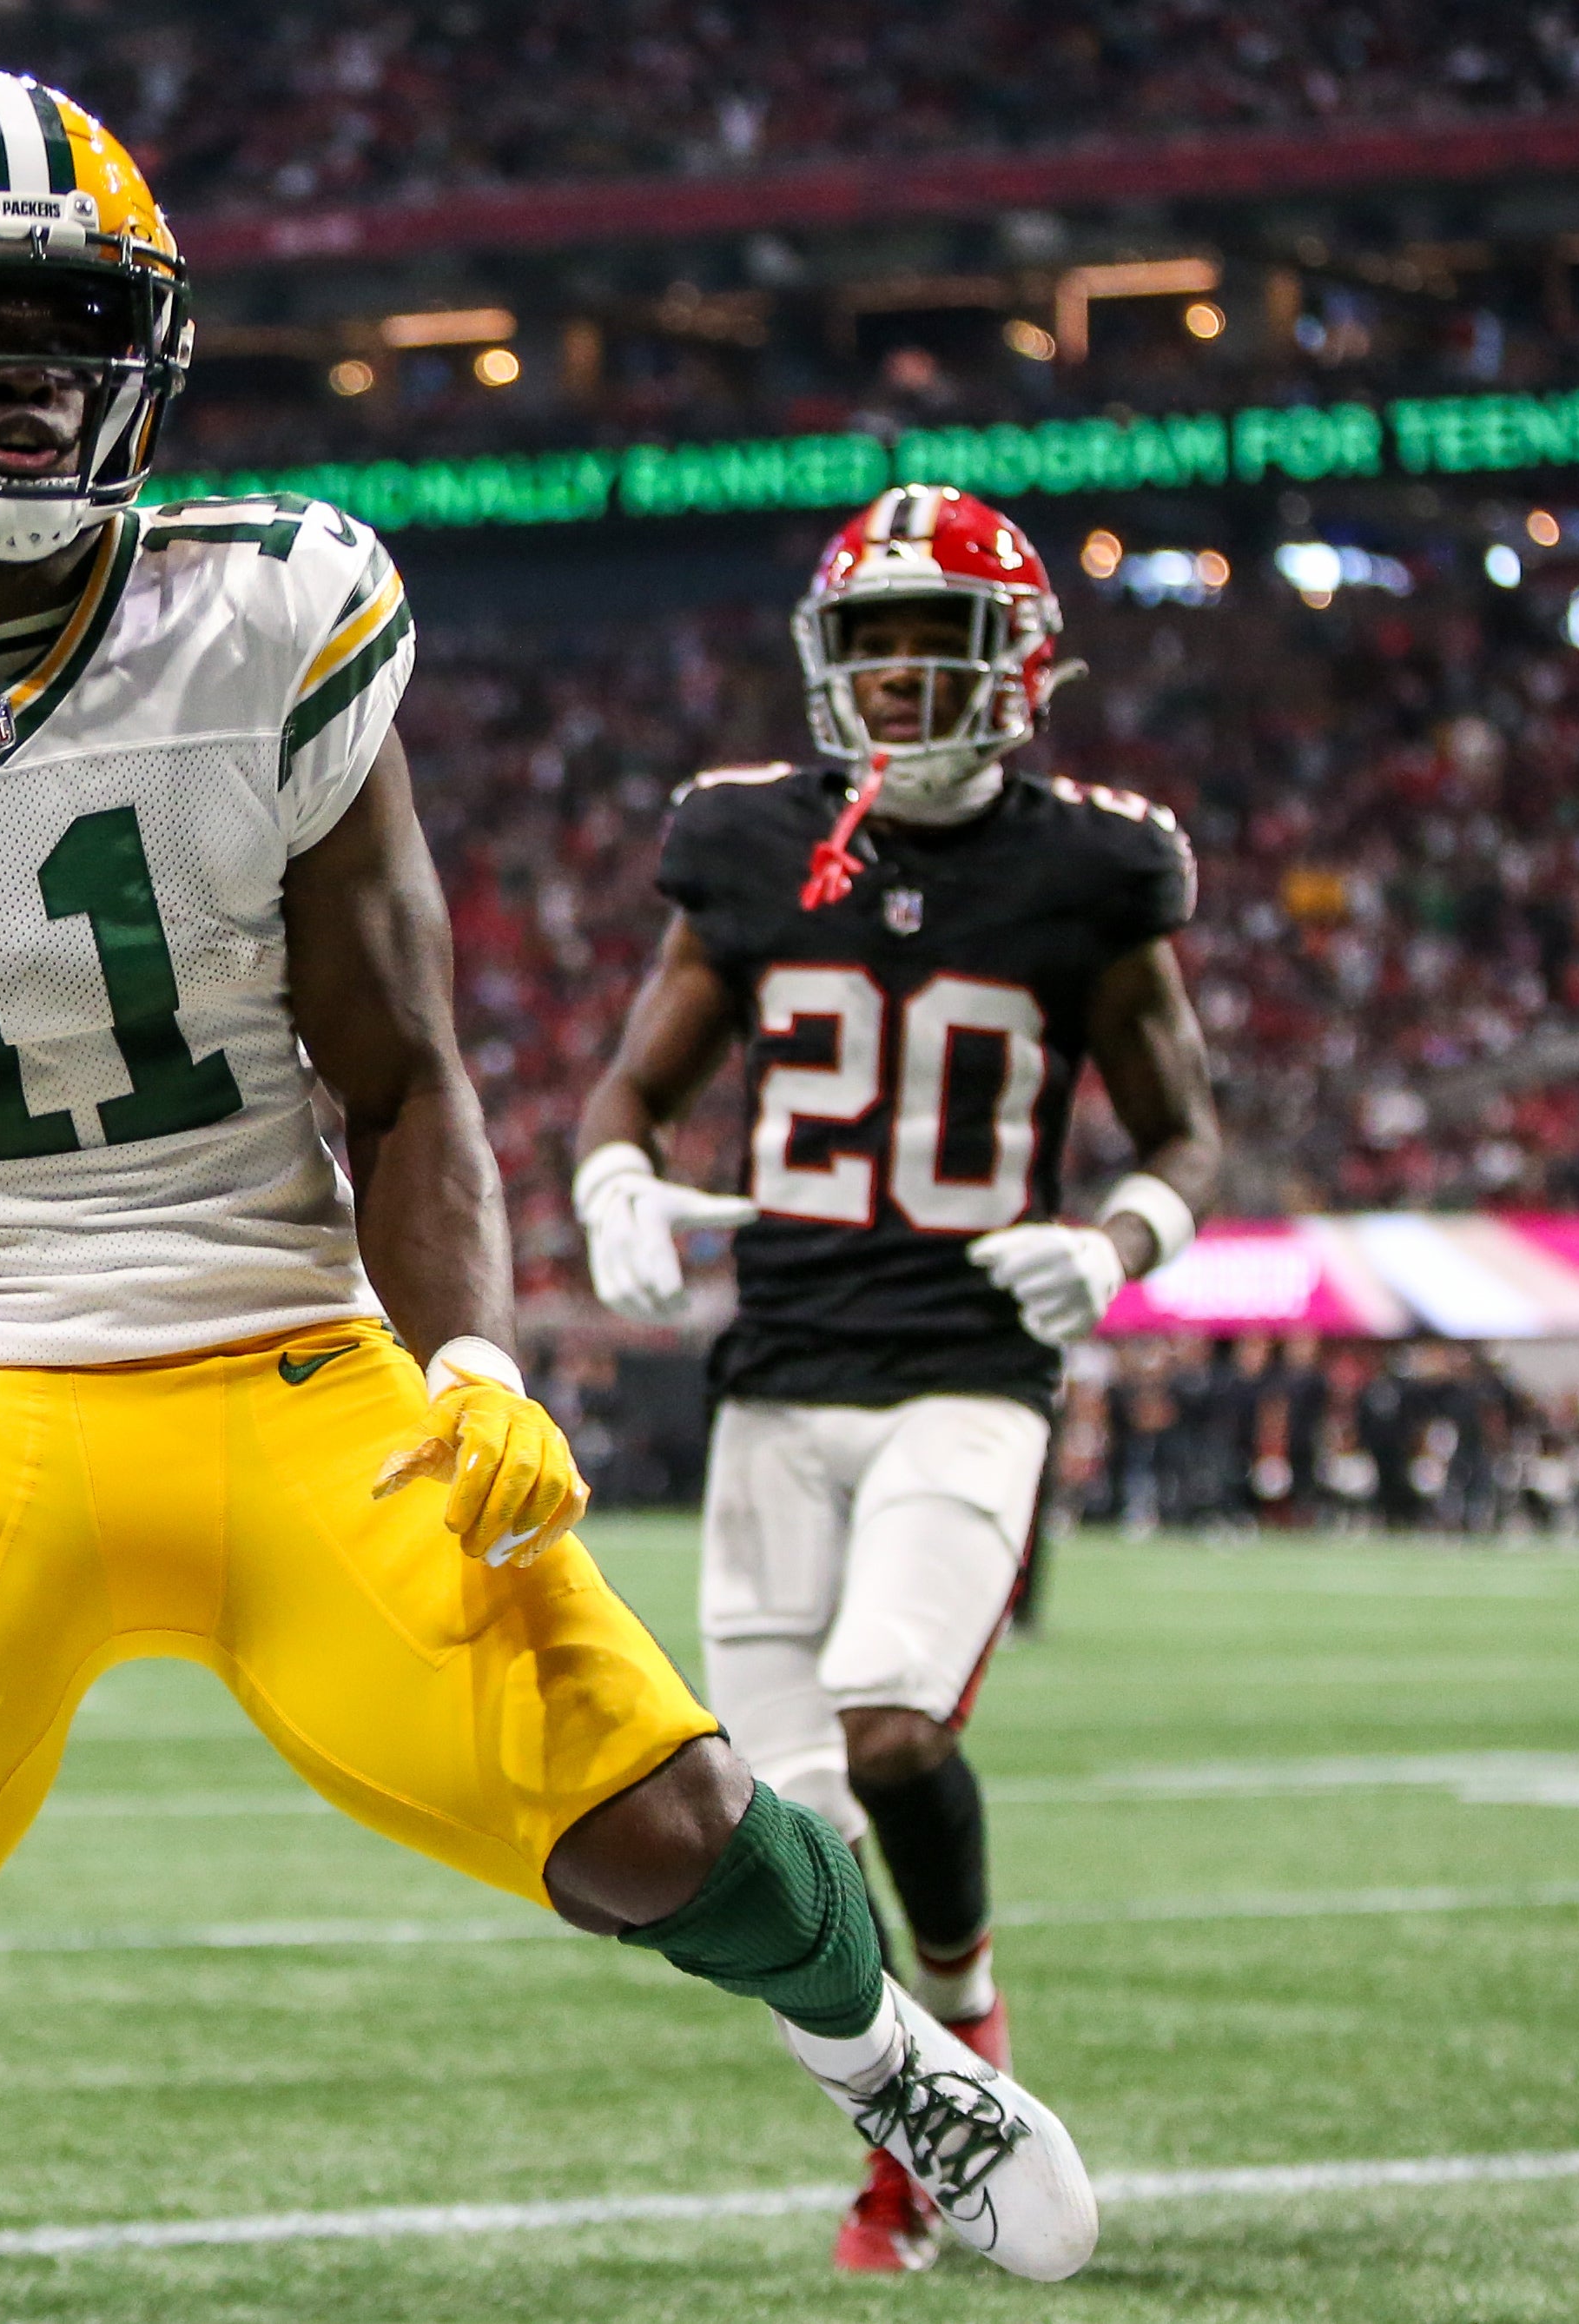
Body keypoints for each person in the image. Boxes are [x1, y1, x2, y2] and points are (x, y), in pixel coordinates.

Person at [0, 80, 1094, 2319]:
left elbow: (401, 1069)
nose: (33, 379)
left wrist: (470, 1352)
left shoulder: (265, 610)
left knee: (665, 1829)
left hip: (291, 1360)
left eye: (73, 326)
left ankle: (880, 2050)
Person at [571, 483, 1214, 2275]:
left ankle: (969, 2033)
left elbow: (1184, 1127)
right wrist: (612, 1179)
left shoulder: (1092, 866)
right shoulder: (745, 841)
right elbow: (632, 1087)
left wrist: (1119, 1239)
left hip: (967, 1365)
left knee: (892, 1718)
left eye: (943, 638)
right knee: (787, 1837)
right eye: (877, 639)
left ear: (1024, 663)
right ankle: (916, 2126)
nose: (906, 674)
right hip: (779, 1373)